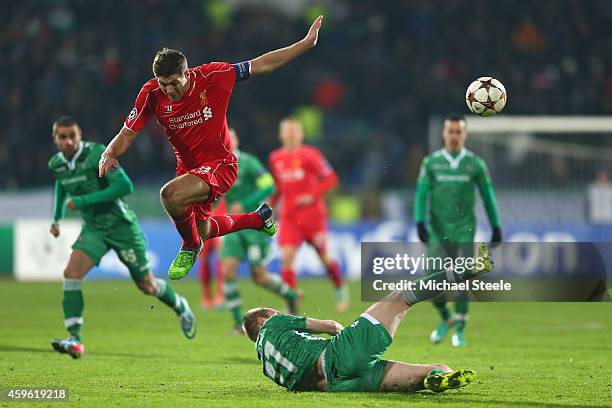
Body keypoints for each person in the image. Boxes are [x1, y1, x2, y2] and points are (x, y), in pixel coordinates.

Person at [99, 16, 325, 281]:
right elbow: (128, 133)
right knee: (201, 229)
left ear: (187, 72)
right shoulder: (151, 94)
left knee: (170, 196)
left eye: (174, 82)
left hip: (221, 164)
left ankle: (190, 247)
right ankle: (258, 219)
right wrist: (109, 152)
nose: (169, 89)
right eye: (163, 83)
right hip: (189, 168)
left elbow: (262, 65)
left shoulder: (214, 76)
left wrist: (304, 44)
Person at [243, 244, 494, 392]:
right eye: (271, 312)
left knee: (424, 374)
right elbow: (329, 326)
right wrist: (344, 331)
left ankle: (438, 376)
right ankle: (471, 268)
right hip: (339, 356)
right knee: (400, 298)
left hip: (338, 386)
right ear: (263, 320)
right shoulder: (273, 324)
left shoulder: (267, 366)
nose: (275, 314)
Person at [48, 116, 195, 359]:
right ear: (55, 139)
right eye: (62, 137)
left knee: (147, 285)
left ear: (80, 134)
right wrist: (56, 218)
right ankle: (75, 339)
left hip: (121, 226)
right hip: (94, 229)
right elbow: (62, 186)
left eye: (72, 136)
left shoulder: (98, 154)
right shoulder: (56, 164)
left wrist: (84, 201)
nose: (68, 141)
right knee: (71, 274)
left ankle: (180, 306)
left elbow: (125, 186)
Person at [414, 115, 502, 346]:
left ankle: (460, 329)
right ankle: (446, 317)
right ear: (443, 134)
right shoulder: (431, 163)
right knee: (430, 282)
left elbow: (487, 196)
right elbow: (422, 194)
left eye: (458, 131)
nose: (454, 135)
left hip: (465, 230)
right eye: (450, 131)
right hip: (437, 230)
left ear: (465, 135)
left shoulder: (475, 164)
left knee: (462, 280)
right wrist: (419, 221)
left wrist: (496, 226)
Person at [221, 129, 300, 334]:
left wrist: (246, 204)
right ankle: (238, 322)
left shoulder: (249, 163)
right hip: (233, 226)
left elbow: (270, 187)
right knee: (227, 271)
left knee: (259, 277)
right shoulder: (217, 165)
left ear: (237, 140)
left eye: (231, 137)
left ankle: (290, 295)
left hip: (254, 225)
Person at [268, 117, 349, 312]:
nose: (291, 135)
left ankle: (340, 287)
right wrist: (270, 206)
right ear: (281, 135)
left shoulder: (310, 155)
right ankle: (292, 302)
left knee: (324, 258)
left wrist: (311, 196)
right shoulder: (275, 158)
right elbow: (278, 187)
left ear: (302, 134)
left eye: (295, 131)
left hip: (312, 216)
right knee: (287, 257)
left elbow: (331, 178)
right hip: (289, 217)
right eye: (287, 131)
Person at [198, 198, 226, 309]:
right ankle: (207, 297)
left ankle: (221, 295)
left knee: (221, 254)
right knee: (203, 257)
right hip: (202, 216)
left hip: (222, 213)